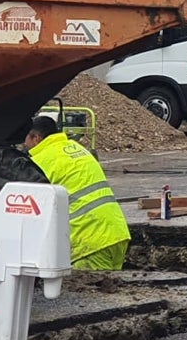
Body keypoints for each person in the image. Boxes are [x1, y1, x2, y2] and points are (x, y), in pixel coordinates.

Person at [24, 115, 130, 270]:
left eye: (25, 139)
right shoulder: (77, 149)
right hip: (116, 233)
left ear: (36, 138)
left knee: (88, 293)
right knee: (111, 290)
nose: (24, 145)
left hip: (90, 242)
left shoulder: (40, 161)